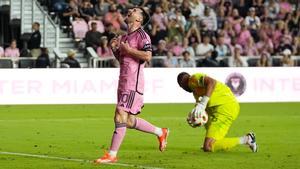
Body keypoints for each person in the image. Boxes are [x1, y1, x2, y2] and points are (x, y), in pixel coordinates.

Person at [94, 7, 169, 164]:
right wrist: (114, 49)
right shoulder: (125, 37)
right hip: (123, 81)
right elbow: (123, 59)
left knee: (120, 114)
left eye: (135, 10)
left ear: (139, 19)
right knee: (127, 121)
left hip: (132, 83)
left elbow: (147, 56)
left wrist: (129, 49)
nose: (130, 10)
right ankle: (160, 132)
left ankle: (112, 155)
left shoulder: (142, 35)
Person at [177, 72, 258, 152]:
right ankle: (214, 142)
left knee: (208, 146)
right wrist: (194, 119)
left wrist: (203, 103)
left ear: (182, 82)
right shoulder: (196, 92)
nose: (183, 88)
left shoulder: (193, 79)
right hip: (222, 108)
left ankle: (247, 139)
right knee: (211, 142)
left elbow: (212, 82)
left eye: (181, 86)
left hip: (225, 108)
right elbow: (202, 111)